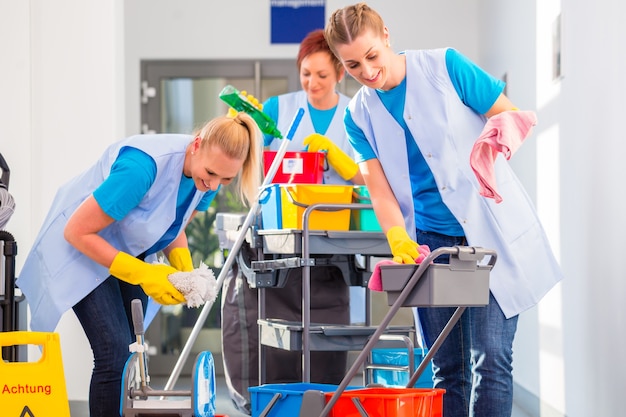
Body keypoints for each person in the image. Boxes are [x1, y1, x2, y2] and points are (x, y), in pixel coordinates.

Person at [324, 3, 563, 417]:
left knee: (492, 358)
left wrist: (492, 146)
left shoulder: (445, 66)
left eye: (372, 56)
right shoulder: (357, 115)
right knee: (446, 367)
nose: (366, 70)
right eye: (352, 64)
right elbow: (379, 189)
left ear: (386, 36)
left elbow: (508, 114)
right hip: (430, 242)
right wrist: (397, 236)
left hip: (488, 233)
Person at [17, 113, 262, 417]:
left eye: (225, 179)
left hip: (127, 249)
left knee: (134, 351)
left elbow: (174, 223)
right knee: (114, 352)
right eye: (211, 173)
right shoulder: (142, 167)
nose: (213, 185)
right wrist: (144, 274)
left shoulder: (207, 178)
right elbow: (76, 232)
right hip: (83, 250)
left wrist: (183, 270)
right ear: (197, 144)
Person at [221, 29, 365, 414]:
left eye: (321, 75)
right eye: (305, 73)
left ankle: (324, 401)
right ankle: (275, 402)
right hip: (281, 235)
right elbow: (248, 156)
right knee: (277, 330)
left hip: (332, 239)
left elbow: (370, 179)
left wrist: (342, 161)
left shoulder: (356, 112)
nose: (312, 83)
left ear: (339, 73)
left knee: (326, 331)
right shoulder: (280, 108)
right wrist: (244, 121)